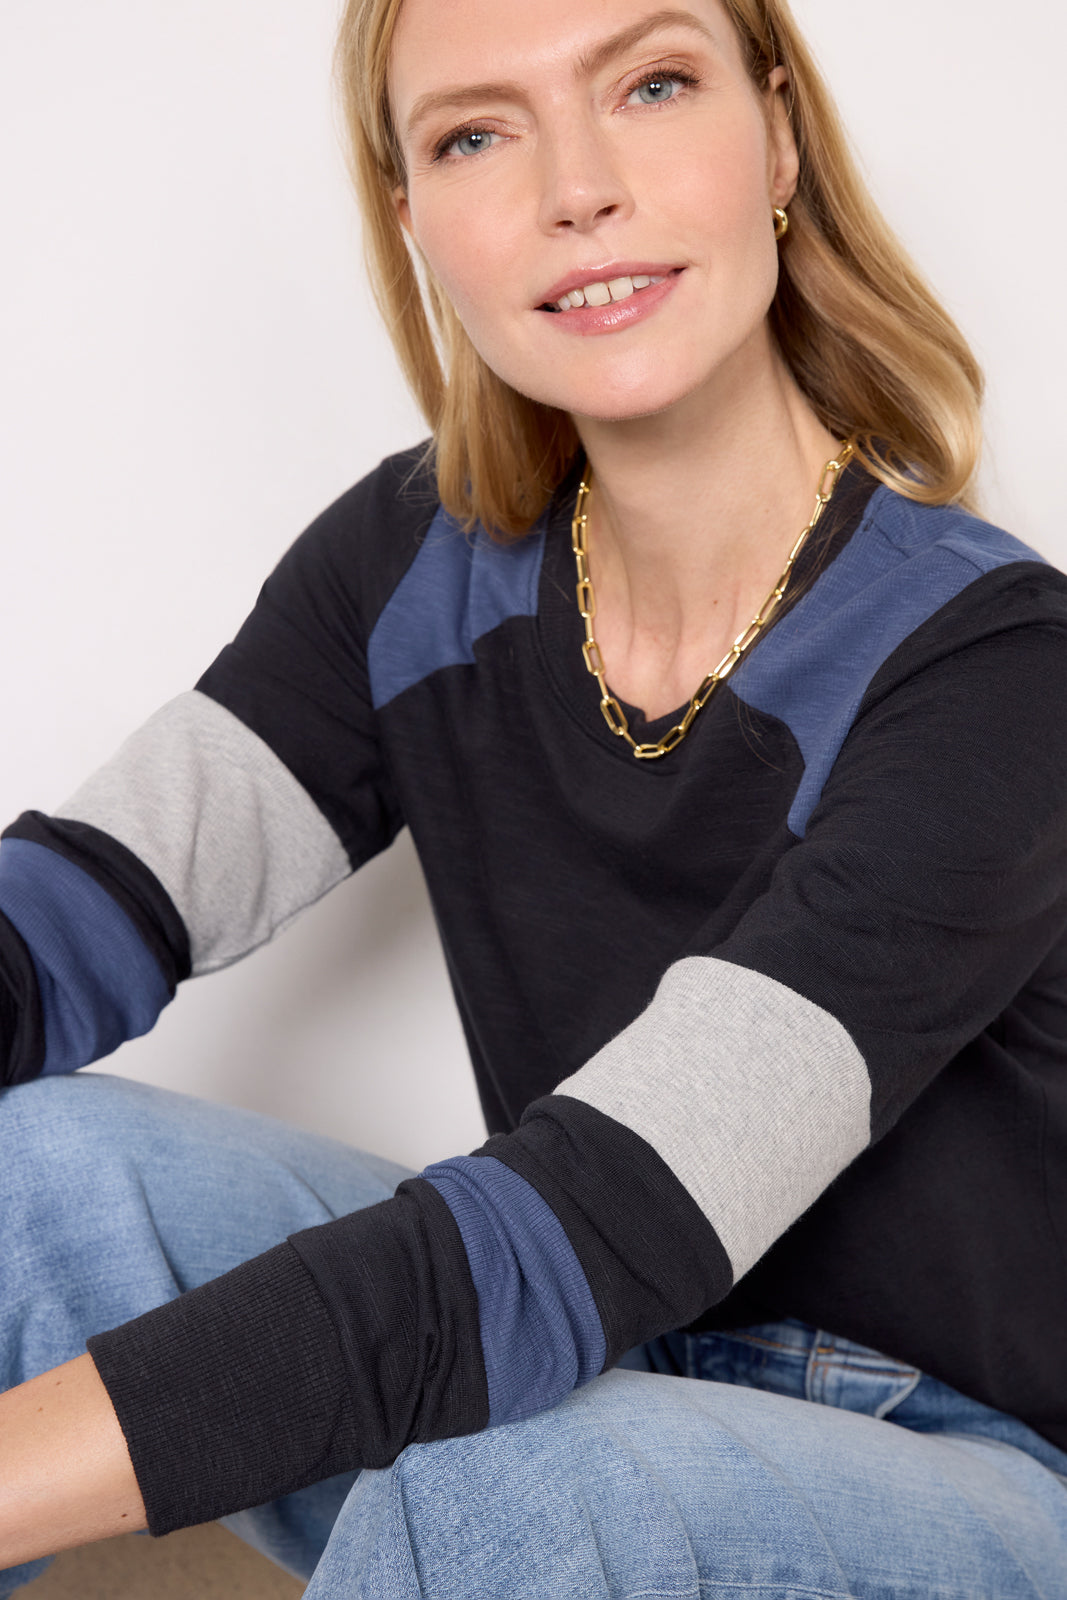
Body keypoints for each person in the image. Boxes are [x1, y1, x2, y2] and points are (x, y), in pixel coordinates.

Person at [1, 0, 1065, 1594]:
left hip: (969, 1467)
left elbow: (577, 1232)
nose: (579, 189)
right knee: (31, 1176)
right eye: (477, 134)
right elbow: (69, 921)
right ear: (414, 218)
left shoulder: (996, 669)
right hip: (610, 1365)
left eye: (652, 83)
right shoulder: (412, 565)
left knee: (516, 1487)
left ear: (778, 136)